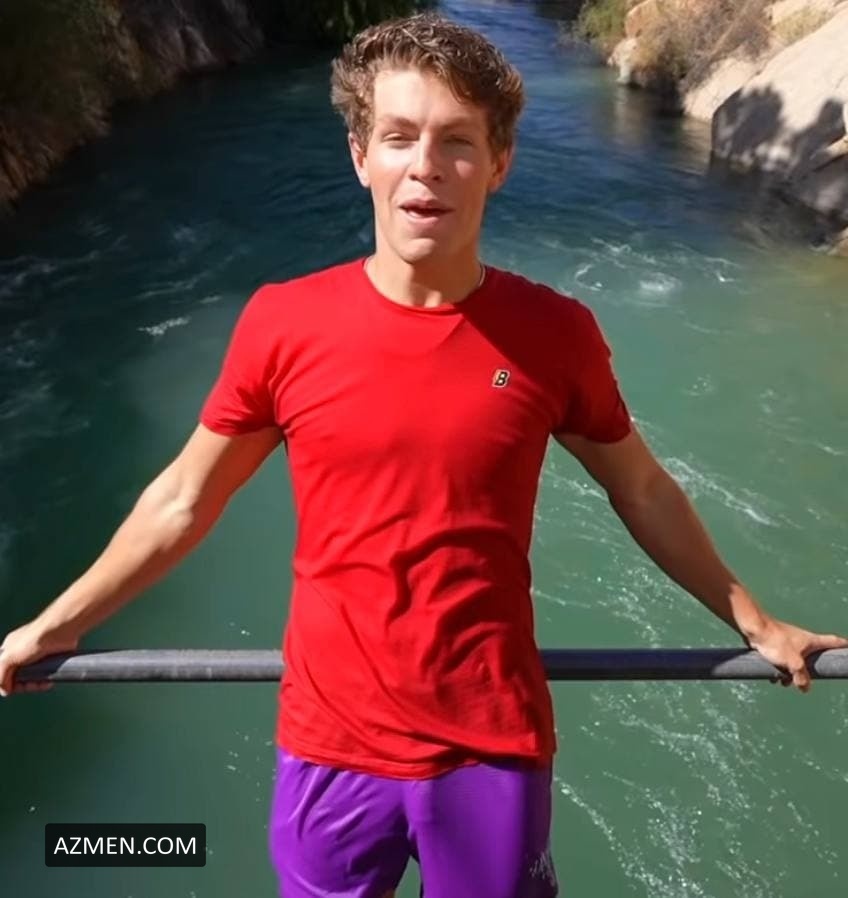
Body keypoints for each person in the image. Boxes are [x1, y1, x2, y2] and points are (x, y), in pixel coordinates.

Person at [1, 12, 845, 898]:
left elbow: (642, 491)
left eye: (457, 142)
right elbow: (185, 499)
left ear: (499, 163)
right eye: (399, 137)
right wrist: (62, 622)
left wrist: (755, 621)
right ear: (361, 155)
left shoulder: (555, 335)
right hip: (328, 747)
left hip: (491, 746)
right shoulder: (284, 325)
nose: (426, 166)